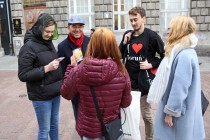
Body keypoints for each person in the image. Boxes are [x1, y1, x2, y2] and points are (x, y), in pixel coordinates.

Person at [61, 27, 132, 139]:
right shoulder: (122, 70)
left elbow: (65, 93)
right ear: (112, 45)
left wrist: (71, 67)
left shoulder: (78, 70)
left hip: (89, 130)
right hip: (112, 128)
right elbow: (126, 103)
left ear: (91, 45)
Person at [152, 16, 205, 140]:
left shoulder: (184, 55)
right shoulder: (186, 51)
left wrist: (170, 113)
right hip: (184, 110)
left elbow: (179, 88)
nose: (169, 31)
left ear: (178, 30)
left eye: (171, 28)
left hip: (180, 113)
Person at [119, 7, 165, 140]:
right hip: (129, 82)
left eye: (136, 20)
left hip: (144, 83)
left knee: (146, 115)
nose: (133, 23)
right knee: (130, 114)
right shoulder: (128, 35)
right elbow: (119, 55)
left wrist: (151, 64)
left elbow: (164, 57)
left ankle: (149, 138)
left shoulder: (152, 36)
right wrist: (124, 43)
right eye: (131, 20)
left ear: (144, 19)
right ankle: (132, 136)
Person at [18, 13, 62, 140]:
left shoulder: (47, 42)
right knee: (44, 129)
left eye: (52, 32)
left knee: (54, 125)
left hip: (54, 92)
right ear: (39, 28)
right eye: (47, 31)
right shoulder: (28, 47)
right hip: (41, 96)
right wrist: (46, 68)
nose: (49, 35)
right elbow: (23, 74)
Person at [57, 16, 90, 120]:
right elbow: (62, 71)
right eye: (74, 26)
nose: (77, 29)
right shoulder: (62, 46)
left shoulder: (91, 41)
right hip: (76, 89)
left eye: (80, 26)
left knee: (93, 116)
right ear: (68, 27)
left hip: (91, 85)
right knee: (79, 116)